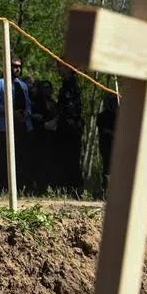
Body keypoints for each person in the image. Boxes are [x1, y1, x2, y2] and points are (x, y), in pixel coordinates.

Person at [0, 57, 33, 193]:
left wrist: (26, 114)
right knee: (2, 159)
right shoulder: (0, 84)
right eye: (14, 66)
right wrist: (12, 113)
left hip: (21, 128)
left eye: (19, 66)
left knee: (20, 159)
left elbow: (28, 104)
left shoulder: (23, 86)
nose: (17, 69)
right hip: (3, 129)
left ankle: (18, 189)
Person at [55, 65, 84, 196]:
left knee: (71, 159)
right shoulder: (66, 85)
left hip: (71, 129)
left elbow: (71, 108)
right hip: (66, 127)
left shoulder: (71, 86)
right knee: (66, 159)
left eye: (61, 67)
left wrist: (66, 121)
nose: (59, 70)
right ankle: (69, 189)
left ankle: (75, 190)